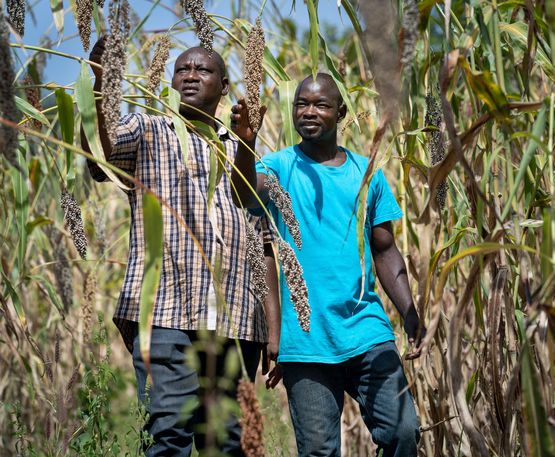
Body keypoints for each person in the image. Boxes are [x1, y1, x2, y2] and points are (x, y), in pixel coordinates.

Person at [83, 38, 280, 456]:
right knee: (168, 431)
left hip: (235, 319)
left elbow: (258, 238)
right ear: (172, 80)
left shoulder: (243, 153)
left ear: (224, 86)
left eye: (203, 70)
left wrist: (272, 330)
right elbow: (105, 151)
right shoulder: (147, 129)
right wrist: (100, 86)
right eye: (182, 70)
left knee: (227, 440)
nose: (190, 75)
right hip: (165, 309)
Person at [230, 73, 426, 457]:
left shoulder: (366, 173)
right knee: (319, 451)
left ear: (341, 113)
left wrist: (409, 312)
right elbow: (244, 191)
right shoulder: (279, 167)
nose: (309, 111)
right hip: (306, 339)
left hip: (367, 332)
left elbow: (385, 251)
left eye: (320, 104)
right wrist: (245, 142)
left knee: (403, 431)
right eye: (301, 103)